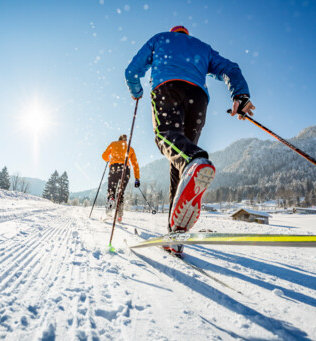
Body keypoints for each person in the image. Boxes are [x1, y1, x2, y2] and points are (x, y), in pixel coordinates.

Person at [125, 25, 255, 256]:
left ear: (174, 32)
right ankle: (175, 234)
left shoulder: (160, 39)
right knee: (182, 160)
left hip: (167, 88)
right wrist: (240, 94)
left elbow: (132, 71)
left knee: (167, 138)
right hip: (198, 98)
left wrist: (136, 90)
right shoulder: (202, 48)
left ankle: (195, 161)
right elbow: (230, 68)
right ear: (187, 34)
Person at [101, 134, 141, 222]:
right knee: (120, 192)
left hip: (114, 168)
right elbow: (135, 164)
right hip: (125, 170)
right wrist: (137, 178)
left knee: (111, 190)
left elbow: (104, 156)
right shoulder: (129, 148)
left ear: (118, 139)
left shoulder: (113, 144)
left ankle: (109, 209)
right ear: (125, 141)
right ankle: (119, 216)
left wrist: (109, 159)